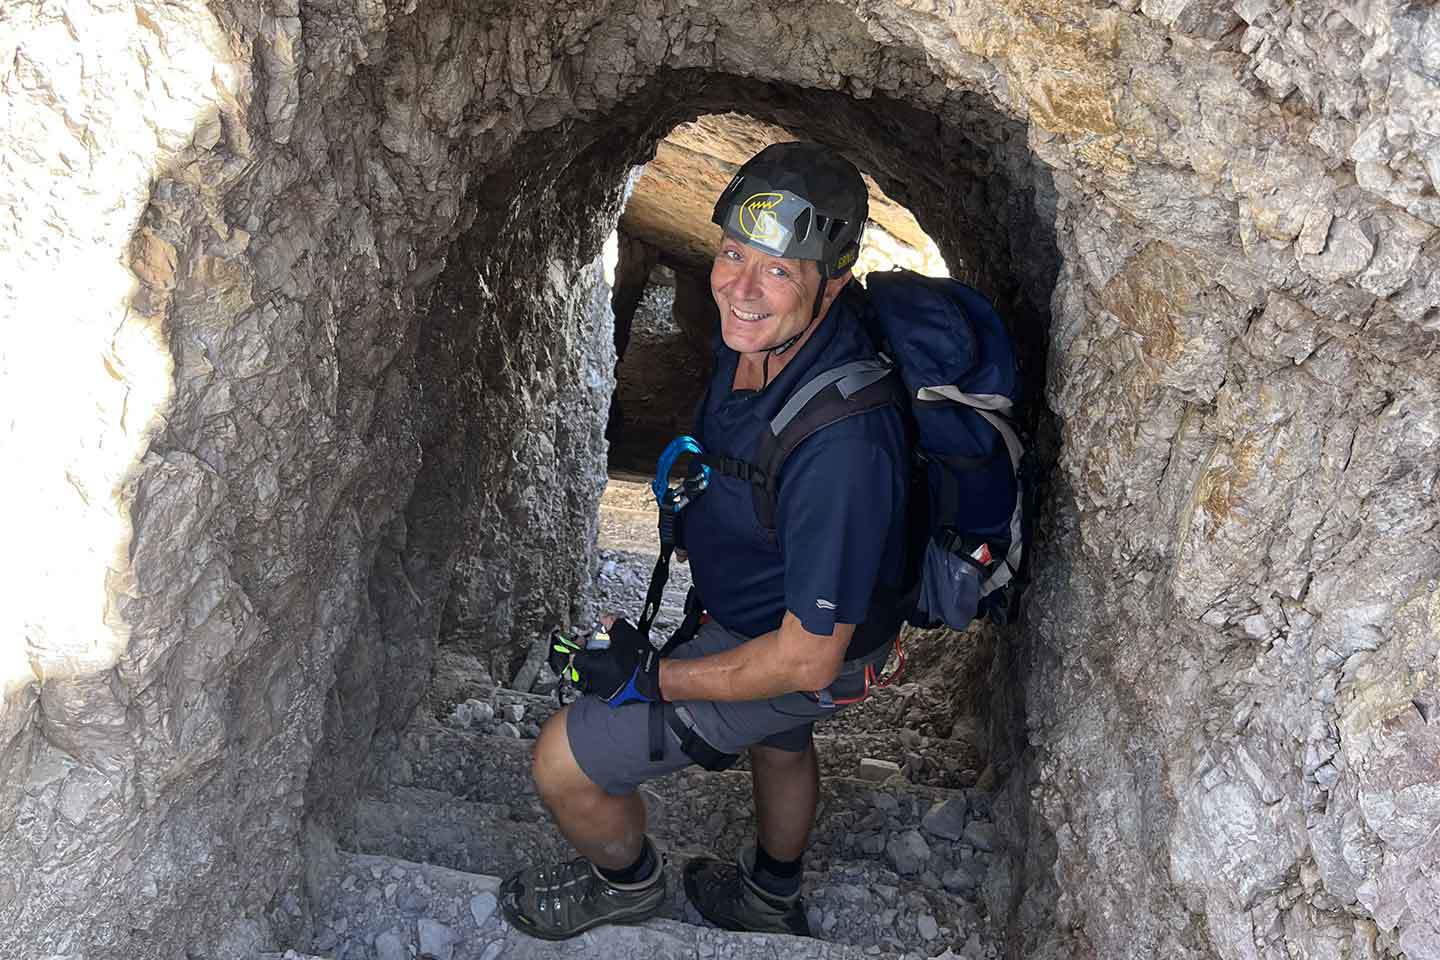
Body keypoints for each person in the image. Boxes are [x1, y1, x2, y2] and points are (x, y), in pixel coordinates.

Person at [499, 142, 910, 941]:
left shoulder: (846, 447)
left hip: (803, 647)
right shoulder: (765, 339)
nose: (740, 288)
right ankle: (771, 897)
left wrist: (653, 679)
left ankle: (627, 885)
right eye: (732, 254)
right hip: (768, 609)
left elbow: (806, 662)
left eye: (778, 270)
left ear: (833, 283)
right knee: (779, 741)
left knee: (563, 759)